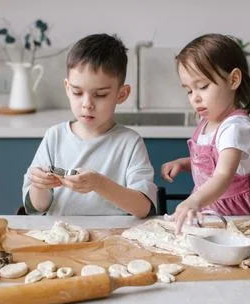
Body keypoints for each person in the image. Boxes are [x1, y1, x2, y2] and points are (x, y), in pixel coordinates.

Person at [22, 33, 157, 218]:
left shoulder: (130, 143)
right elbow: (37, 207)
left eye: (100, 94)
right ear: (67, 88)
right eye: (77, 92)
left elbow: (143, 208)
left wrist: (99, 184)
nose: (87, 104)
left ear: (122, 94)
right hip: (61, 237)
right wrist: (39, 185)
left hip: (114, 241)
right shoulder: (54, 137)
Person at [160, 34, 250, 233]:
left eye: (203, 86)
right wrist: (184, 163)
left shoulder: (236, 127)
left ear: (233, 80)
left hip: (241, 218)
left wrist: (194, 200)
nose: (195, 98)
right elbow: (212, 163)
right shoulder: (207, 122)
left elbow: (222, 175)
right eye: (188, 90)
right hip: (212, 213)